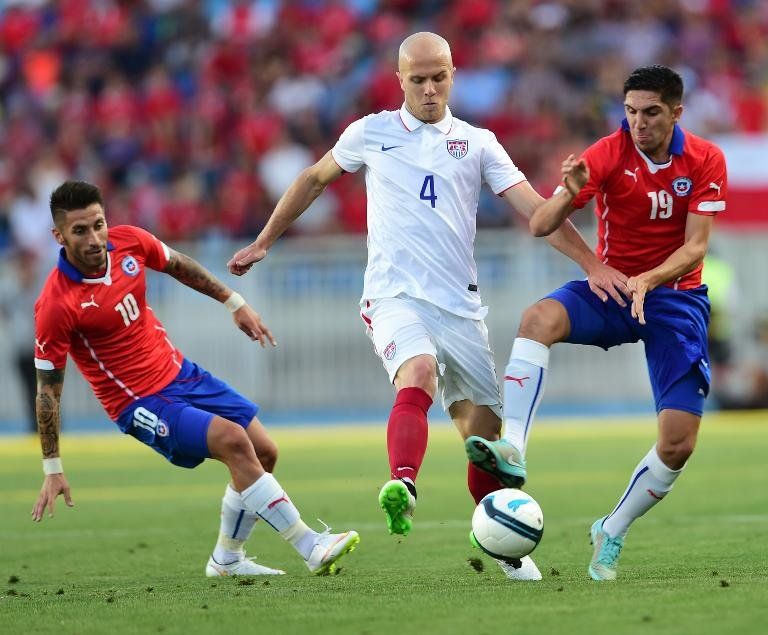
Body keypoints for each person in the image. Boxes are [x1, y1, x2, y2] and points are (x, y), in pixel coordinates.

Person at [228, 32, 619, 581]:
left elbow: (535, 214)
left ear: (453, 74)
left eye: (440, 77)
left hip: (460, 309)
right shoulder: (371, 132)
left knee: (483, 443)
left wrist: (590, 259)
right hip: (393, 296)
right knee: (418, 372)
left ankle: (506, 549)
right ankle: (403, 483)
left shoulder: (479, 143)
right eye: (419, 79)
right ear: (400, 80)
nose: (430, 89)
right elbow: (314, 179)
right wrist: (266, 240)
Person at [465, 65, 727, 581]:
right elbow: (540, 223)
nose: (638, 122)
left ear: (676, 112)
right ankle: (512, 447)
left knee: (678, 443)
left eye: (651, 112)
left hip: (675, 298)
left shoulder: (704, 158)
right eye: (630, 111)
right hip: (612, 290)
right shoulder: (607, 153)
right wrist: (569, 194)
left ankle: (613, 526)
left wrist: (648, 279)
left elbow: (696, 245)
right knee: (537, 318)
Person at [32, 180, 359, 577]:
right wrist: (53, 467)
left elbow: (178, 264)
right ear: (59, 235)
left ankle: (227, 559)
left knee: (265, 452)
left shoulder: (129, 243)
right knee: (233, 441)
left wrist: (233, 301)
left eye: (98, 224)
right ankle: (311, 545)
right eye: (80, 230)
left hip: (180, 373)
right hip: (138, 403)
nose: (94, 238)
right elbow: (48, 391)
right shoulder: (56, 304)